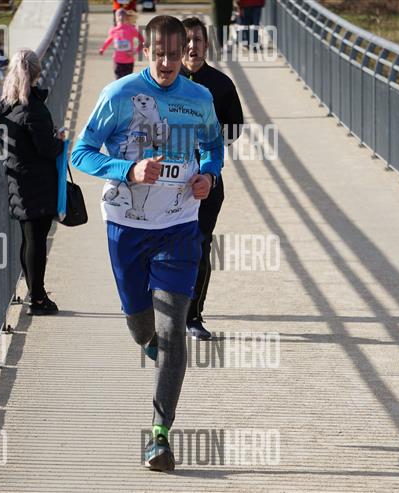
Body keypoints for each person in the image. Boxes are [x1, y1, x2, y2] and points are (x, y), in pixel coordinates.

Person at [71, 15, 223, 471]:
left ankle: (159, 435)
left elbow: (213, 146)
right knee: (142, 329)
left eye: (175, 55)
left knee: (173, 330)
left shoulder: (199, 98)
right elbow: (81, 153)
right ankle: (153, 346)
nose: (168, 63)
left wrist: (208, 175)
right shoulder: (119, 96)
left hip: (179, 224)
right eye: (159, 55)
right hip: (127, 226)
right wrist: (128, 170)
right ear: (144, 50)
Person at [180, 17, 243, 340]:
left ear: (207, 45)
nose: (193, 46)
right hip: (166, 181)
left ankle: (193, 315)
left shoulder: (221, 84)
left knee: (200, 245)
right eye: (187, 40)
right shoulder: (164, 79)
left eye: (199, 40)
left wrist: (209, 140)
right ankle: (160, 311)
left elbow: (235, 127)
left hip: (206, 180)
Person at [0, 49, 64, 316]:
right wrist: (60, 140)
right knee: (36, 240)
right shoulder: (33, 108)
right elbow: (47, 148)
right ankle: (38, 299)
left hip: (16, 177)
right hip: (38, 180)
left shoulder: (4, 103)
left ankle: (35, 293)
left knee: (28, 237)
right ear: (37, 73)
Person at [99, 8, 144, 79]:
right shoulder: (113, 30)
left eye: (123, 15)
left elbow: (142, 41)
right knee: (118, 81)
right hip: (117, 60)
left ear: (126, 17)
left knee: (127, 81)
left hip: (128, 61)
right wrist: (102, 49)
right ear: (115, 18)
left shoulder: (131, 29)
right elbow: (109, 40)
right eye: (119, 15)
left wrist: (135, 52)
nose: (121, 17)